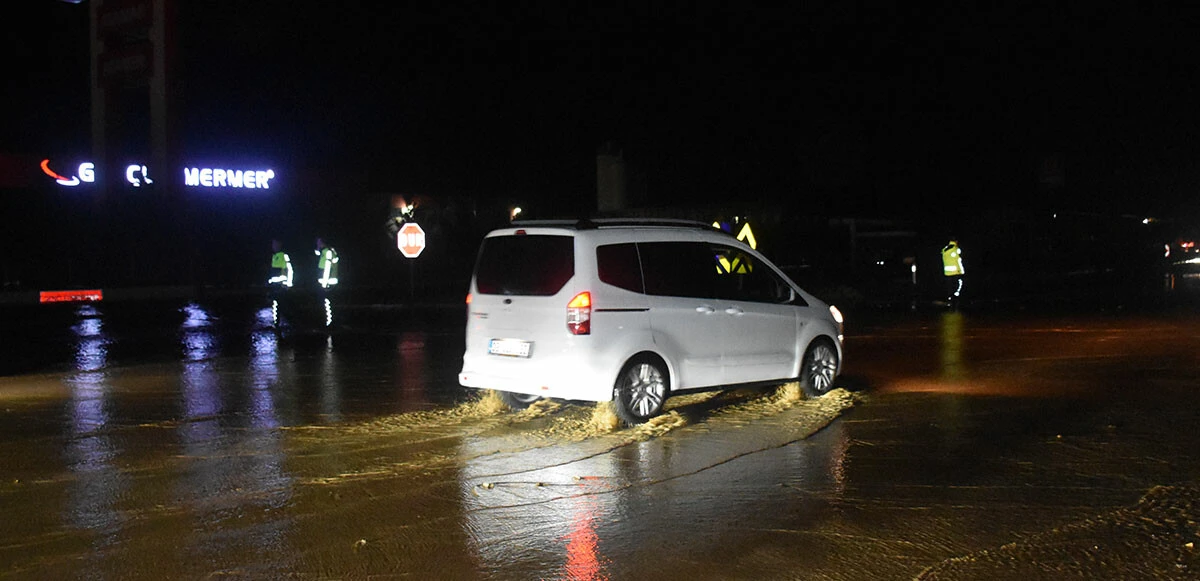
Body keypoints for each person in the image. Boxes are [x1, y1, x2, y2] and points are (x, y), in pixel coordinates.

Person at [268, 239, 294, 327]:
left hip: (281, 286)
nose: (273, 246)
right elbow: (274, 272)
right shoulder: (274, 256)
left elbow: (290, 270)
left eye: (275, 244)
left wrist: (288, 284)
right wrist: (270, 281)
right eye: (273, 244)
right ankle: (277, 323)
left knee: (281, 305)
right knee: (277, 305)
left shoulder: (284, 256)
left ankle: (283, 323)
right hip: (275, 285)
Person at [315, 238, 340, 326]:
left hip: (328, 283)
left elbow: (327, 268)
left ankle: (329, 324)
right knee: (327, 304)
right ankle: (329, 323)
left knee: (327, 304)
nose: (317, 243)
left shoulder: (327, 252)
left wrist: (324, 283)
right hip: (326, 283)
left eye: (318, 242)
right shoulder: (325, 252)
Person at [941, 239, 965, 307]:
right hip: (956, 271)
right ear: (956, 241)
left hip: (947, 272)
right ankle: (956, 297)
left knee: (949, 286)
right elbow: (959, 261)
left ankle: (950, 298)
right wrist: (962, 271)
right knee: (959, 284)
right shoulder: (956, 249)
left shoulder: (944, 249)